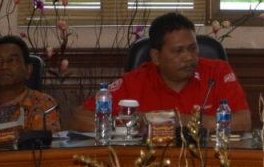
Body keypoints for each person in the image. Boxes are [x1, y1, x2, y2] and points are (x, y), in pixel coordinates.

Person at [71, 12, 251, 132]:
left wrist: (178, 120)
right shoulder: (135, 81)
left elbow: (244, 122)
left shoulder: (217, 72)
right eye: (178, 51)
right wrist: (130, 123)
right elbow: (80, 118)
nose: (188, 57)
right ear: (156, 56)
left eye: (192, 49)